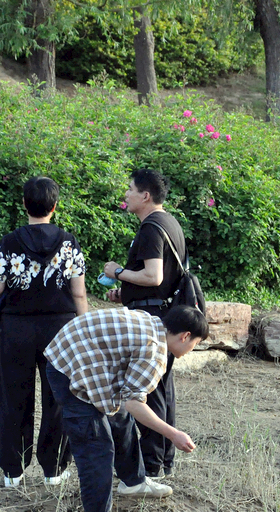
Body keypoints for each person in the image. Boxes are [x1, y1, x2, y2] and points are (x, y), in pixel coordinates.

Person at [44, 305, 209, 512]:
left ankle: (134, 482)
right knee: (97, 445)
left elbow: (125, 402)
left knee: (120, 419)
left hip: (74, 353)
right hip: (69, 368)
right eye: (195, 343)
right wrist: (173, 434)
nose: (191, 349)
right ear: (185, 336)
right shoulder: (154, 351)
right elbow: (133, 403)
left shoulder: (152, 323)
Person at [0, 176, 88, 488]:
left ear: (24, 204)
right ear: (54, 207)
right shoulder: (69, 242)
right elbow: (80, 294)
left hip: (16, 328)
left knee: (13, 397)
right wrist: (84, 331)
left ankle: (13, 472)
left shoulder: (10, 241)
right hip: (60, 329)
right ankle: (54, 470)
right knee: (58, 397)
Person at [103, 169, 188, 478]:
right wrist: (125, 292)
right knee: (162, 391)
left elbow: (154, 277)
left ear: (145, 196)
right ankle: (162, 463)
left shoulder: (151, 227)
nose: (126, 194)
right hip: (160, 311)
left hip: (151, 320)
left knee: (148, 395)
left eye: (130, 189)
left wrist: (118, 272)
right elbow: (156, 282)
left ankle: (152, 467)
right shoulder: (170, 222)